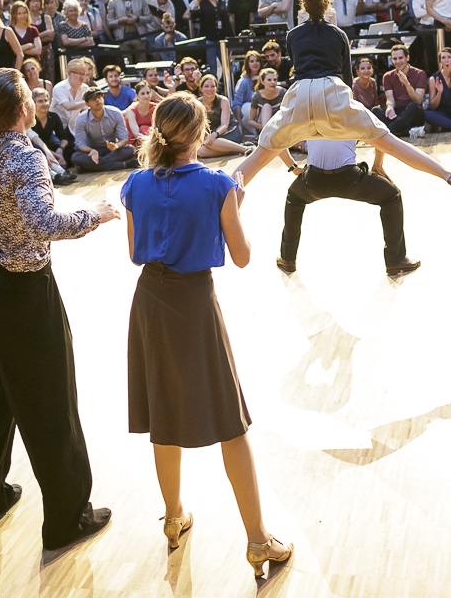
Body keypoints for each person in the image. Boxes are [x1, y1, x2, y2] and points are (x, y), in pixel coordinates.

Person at [0, 67, 119, 551]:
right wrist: (94, 214)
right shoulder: (27, 157)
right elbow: (43, 222)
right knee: (50, 405)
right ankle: (67, 519)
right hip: (23, 293)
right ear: (23, 110)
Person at [119, 91, 291, 576]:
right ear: (200, 134)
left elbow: (135, 251)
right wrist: (234, 206)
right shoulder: (217, 185)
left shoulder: (134, 184)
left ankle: (173, 518)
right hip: (195, 304)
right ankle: (258, 541)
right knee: (230, 422)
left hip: (149, 302)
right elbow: (241, 256)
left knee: (163, 412)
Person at [230, 0, 451, 189]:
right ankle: (447, 175)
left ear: (303, 5)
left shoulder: (292, 35)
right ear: (327, 4)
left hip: (301, 93)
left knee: (262, 153)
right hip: (332, 90)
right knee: (386, 139)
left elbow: (298, 68)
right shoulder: (339, 34)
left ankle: (224, 194)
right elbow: (346, 79)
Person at [276, 136, 418, 278]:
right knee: (391, 195)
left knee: (294, 198)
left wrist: (293, 166)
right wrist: (378, 165)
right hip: (350, 179)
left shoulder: (307, 114)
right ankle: (396, 261)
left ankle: (287, 259)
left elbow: (276, 137)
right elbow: (378, 135)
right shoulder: (355, 113)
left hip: (314, 180)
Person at [69, 88, 138, 172]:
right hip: (93, 150)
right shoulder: (82, 119)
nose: (98, 100)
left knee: (130, 150)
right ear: (87, 104)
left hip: (112, 151)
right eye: (93, 99)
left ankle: (90, 167)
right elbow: (80, 144)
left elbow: (124, 139)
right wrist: (91, 150)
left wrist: (116, 146)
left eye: (99, 96)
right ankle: (123, 164)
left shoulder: (115, 113)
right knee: (75, 157)